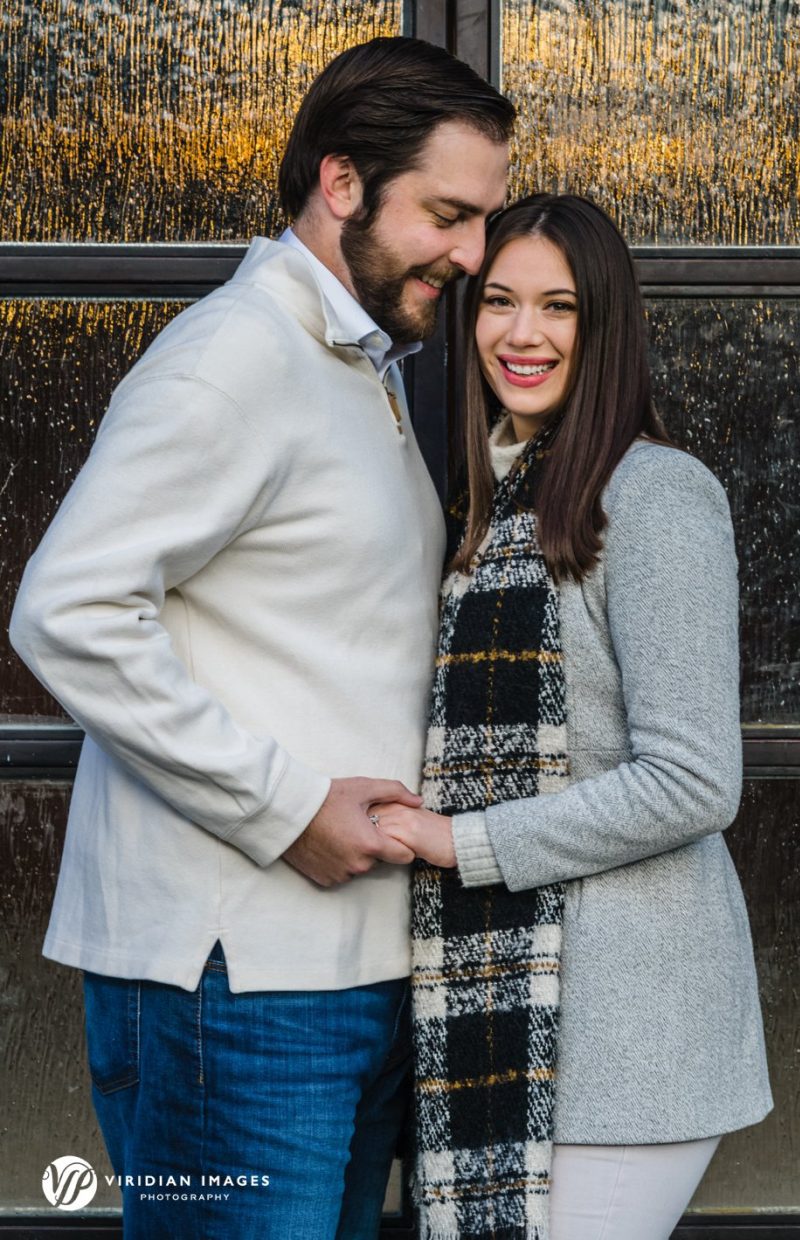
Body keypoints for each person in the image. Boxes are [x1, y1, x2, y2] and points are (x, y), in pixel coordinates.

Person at [8, 38, 512, 1239]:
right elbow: (66, 610)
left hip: (344, 971)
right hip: (227, 987)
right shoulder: (232, 360)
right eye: (447, 214)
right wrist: (282, 804)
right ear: (341, 182)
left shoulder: (359, 363)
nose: (473, 254)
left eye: (482, 219)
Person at [368, 193, 772, 1240]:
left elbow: (693, 779)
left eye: (558, 306)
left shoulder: (655, 494)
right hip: (503, 999)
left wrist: (463, 842)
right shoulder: (485, 502)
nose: (522, 333)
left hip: (625, 1024)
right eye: (498, 301)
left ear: (606, 326)